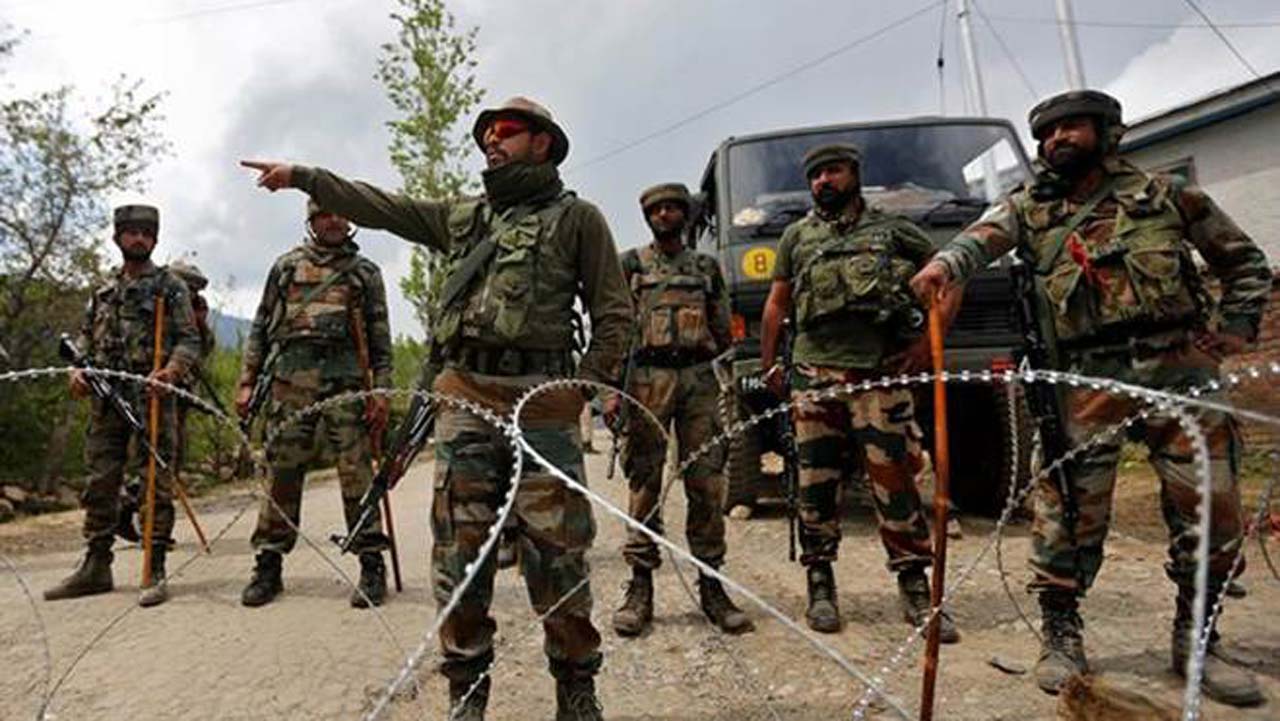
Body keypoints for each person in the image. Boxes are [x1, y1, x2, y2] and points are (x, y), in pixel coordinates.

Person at [241, 96, 632, 721]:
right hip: (465, 397)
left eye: (506, 131)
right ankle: (466, 692)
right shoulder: (463, 217)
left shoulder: (578, 219)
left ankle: (576, 689)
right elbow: (382, 206)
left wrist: (581, 389)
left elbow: (614, 315)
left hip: (541, 405)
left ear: (543, 143)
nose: (492, 141)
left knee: (557, 555)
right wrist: (305, 178)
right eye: (486, 133)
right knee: (459, 552)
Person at [910, 89, 1269, 707]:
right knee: (1068, 510)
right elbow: (976, 242)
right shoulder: (1029, 209)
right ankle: (1061, 633)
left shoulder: (1167, 196)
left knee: (1210, 504)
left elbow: (1245, 264)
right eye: (1046, 134)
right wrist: (944, 267)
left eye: (1070, 127)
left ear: (1107, 131)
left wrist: (1235, 329)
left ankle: (1199, 638)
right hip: (1084, 379)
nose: (1057, 140)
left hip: (1180, 371)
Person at [759, 144, 959, 643]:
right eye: (815, 176)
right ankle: (820, 582)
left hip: (879, 375)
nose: (823, 181)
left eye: (833, 171)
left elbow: (950, 277)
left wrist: (926, 344)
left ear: (853, 174)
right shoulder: (797, 236)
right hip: (814, 376)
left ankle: (915, 585)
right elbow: (777, 303)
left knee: (896, 481)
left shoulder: (893, 230)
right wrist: (769, 365)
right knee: (815, 483)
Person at [608, 182, 752, 637]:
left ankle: (711, 584)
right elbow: (614, 327)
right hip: (646, 380)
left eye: (673, 208)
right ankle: (640, 586)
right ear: (647, 216)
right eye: (657, 209)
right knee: (644, 483)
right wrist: (612, 391)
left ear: (685, 215)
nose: (665, 215)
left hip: (697, 381)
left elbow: (723, 328)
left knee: (706, 481)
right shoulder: (631, 265)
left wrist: (715, 366)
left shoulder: (705, 267)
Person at [235, 200, 393, 610]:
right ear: (311, 220)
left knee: (357, 472)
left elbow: (380, 339)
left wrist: (381, 391)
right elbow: (260, 326)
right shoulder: (286, 267)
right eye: (325, 214)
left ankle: (371, 562)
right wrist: (247, 380)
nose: (334, 220)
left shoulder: (365, 273)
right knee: (282, 473)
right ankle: (268, 563)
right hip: (291, 380)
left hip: (348, 381)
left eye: (341, 212)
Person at [46, 204, 201, 608]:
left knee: (154, 481)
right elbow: (84, 338)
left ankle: (155, 566)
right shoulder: (102, 290)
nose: (139, 239)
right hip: (105, 398)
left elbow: (189, 340)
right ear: (118, 237)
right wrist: (76, 372)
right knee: (100, 480)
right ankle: (96, 565)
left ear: (155, 239)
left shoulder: (170, 286)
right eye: (132, 232)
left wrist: (171, 371)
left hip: (151, 397)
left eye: (146, 233)